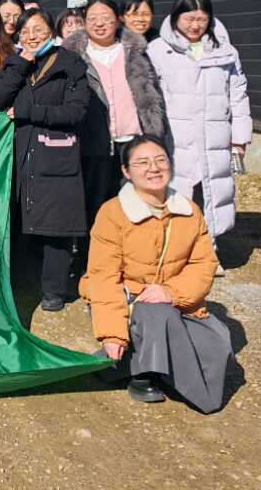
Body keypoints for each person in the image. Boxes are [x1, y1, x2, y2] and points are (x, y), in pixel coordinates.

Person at [80, 136, 231, 412]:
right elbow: (103, 277)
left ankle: (124, 364)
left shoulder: (189, 211)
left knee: (217, 343)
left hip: (173, 300)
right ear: (127, 172)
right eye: (142, 162)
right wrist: (112, 334)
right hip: (128, 300)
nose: (154, 168)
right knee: (156, 314)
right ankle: (144, 373)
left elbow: (203, 264)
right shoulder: (112, 213)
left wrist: (171, 292)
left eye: (161, 160)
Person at [0, 8, 91, 312]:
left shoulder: (70, 64)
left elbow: (75, 111)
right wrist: (22, 62)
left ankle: (54, 290)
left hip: (56, 152)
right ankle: (20, 283)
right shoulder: (15, 64)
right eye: (25, 31)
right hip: (21, 150)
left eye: (38, 29)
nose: (31, 36)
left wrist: (28, 112)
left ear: (52, 31)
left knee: (56, 225)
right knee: (22, 218)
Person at [63, 0, 167, 256]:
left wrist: (154, 131)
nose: (99, 24)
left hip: (132, 139)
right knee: (95, 203)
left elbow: (152, 92)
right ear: (84, 22)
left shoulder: (135, 51)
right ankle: (92, 259)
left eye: (106, 18)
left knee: (135, 202)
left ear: (118, 21)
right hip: (93, 141)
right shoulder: (72, 56)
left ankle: (135, 257)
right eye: (92, 19)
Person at [147, 0, 251, 244]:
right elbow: (149, 97)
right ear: (176, 17)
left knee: (211, 192)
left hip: (214, 136)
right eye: (189, 19)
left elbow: (238, 95)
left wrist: (240, 138)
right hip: (175, 138)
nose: (195, 25)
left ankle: (208, 250)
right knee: (175, 193)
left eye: (202, 19)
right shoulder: (158, 50)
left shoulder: (225, 51)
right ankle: (175, 250)